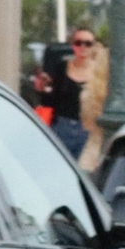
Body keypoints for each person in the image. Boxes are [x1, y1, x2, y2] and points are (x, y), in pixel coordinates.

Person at [33, 27, 99, 161]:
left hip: (90, 129)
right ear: (72, 45)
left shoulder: (100, 72)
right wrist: (42, 89)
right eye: (78, 43)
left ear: (94, 46)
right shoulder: (61, 67)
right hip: (62, 127)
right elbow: (50, 101)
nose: (83, 47)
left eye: (88, 43)